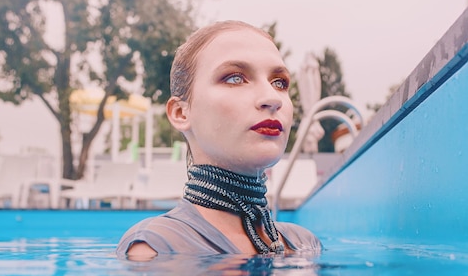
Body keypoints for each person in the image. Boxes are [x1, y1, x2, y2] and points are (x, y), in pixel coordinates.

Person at [117, 20, 321, 260]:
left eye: (279, 82)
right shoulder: (157, 246)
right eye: (235, 78)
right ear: (181, 113)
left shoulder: (305, 244)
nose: (272, 98)